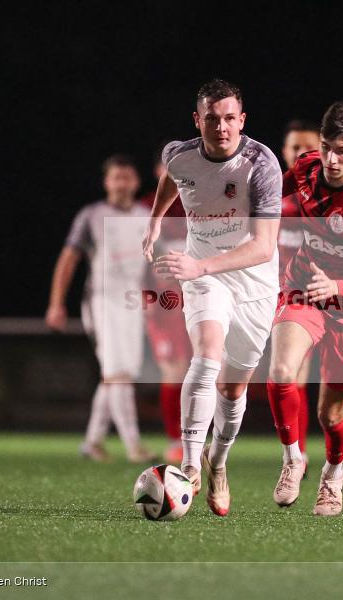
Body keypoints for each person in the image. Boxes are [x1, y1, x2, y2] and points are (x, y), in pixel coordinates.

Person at [143, 79, 282, 517]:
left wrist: (198, 266)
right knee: (206, 356)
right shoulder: (177, 154)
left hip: (255, 280)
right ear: (196, 120)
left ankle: (218, 464)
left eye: (228, 119)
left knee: (234, 385)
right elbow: (174, 179)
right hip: (203, 274)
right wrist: (154, 222)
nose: (220, 127)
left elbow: (262, 246)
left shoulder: (261, 165)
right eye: (211, 118)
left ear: (242, 121)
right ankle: (188, 465)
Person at [267, 102, 343, 516]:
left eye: (342, 149)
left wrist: (335, 286)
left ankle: (333, 474)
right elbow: (268, 196)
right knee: (282, 372)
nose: (331, 159)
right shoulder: (305, 169)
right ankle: (292, 461)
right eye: (326, 148)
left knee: (330, 413)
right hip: (303, 286)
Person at [46, 154, 155, 463]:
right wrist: (56, 303)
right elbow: (68, 259)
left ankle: (92, 442)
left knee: (118, 374)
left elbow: (153, 263)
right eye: (115, 177)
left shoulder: (146, 215)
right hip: (102, 302)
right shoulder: (92, 215)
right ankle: (134, 446)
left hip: (132, 303)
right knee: (118, 373)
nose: (122, 183)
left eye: (127, 177)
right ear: (106, 182)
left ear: (136, 182)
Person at [140, 149, 192, 464]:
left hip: (198, 297)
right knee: (173, 371)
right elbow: (136, 258)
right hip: (163, 303)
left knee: (202, 371)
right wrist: (146, 294)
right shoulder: (146, 208)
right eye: (168, 169)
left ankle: (195, 437)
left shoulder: (200, 205)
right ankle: (177, 440)